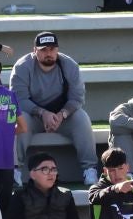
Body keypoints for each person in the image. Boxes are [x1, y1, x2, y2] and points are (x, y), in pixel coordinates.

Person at [11, 33, 98, 186]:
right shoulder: (22, 67)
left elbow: (77, 98)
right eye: (43, 49)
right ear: (34, 50)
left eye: (52, 49)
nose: (48, 53)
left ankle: (89, 169)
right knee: (18, 119)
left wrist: (62, 115)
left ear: (57, 49)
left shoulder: (69, 65)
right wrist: (42, 113)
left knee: (82, 118)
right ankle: (15, 169)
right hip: (33, 115)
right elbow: (18, 99)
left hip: (62, 116)